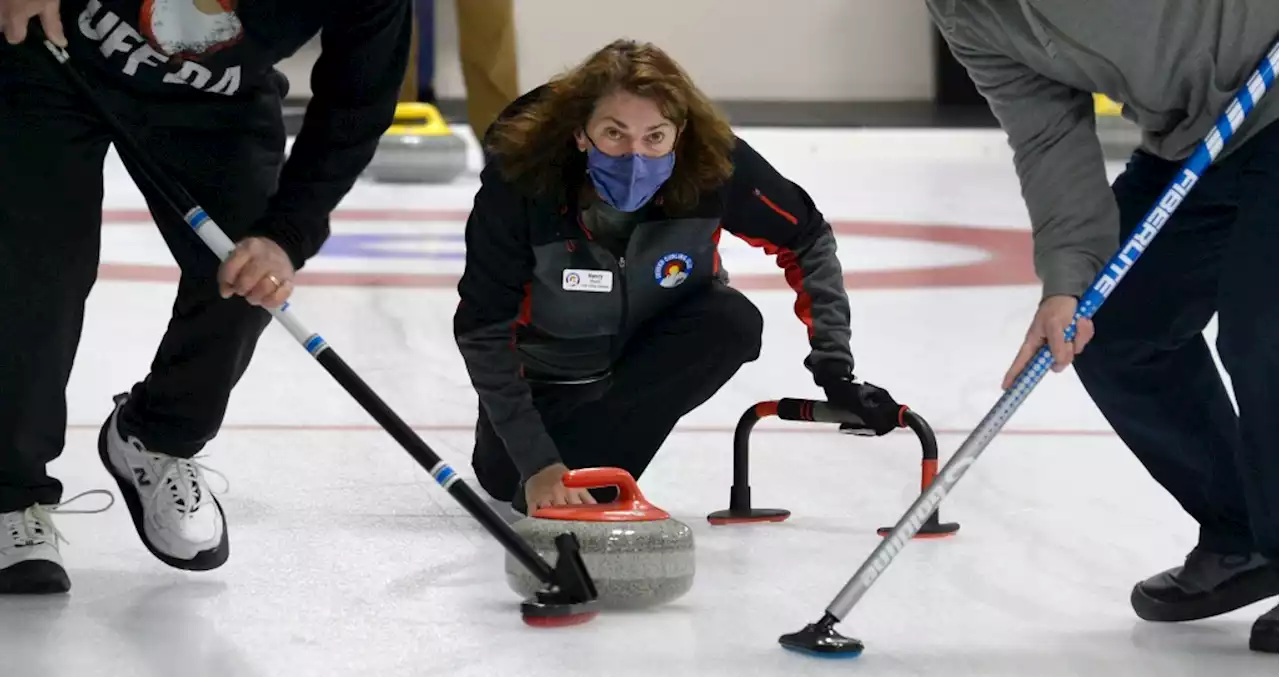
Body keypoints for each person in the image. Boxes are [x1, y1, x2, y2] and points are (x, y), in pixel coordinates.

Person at [0, 0, 411, 593]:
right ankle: (11, 494)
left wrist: (285, 235)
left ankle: (156, 436)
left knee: (247, 274)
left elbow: (358, 100)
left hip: (215, 95)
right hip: (54, 48)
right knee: (33, 273)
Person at [926, 0, 1280, 653]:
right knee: (1112, 322)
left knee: (1266, 332)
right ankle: (1247, 536)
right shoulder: (966, 12)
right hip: (1200, 137)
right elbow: (1046, 134)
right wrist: (1066, 280)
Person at [452, 38, 909, 516]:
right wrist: (537, 461)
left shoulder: (715, 165)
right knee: (508, 477)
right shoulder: (521, 183)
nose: (635, 157)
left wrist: (835, 370)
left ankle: (595, 473)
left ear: (680, 133)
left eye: (655, 137)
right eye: (614, 134)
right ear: (579, 132)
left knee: (731, 322)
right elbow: (483, 329)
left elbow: (807, 237)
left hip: (645, 362)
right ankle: (563, 463)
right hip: (549, 382)